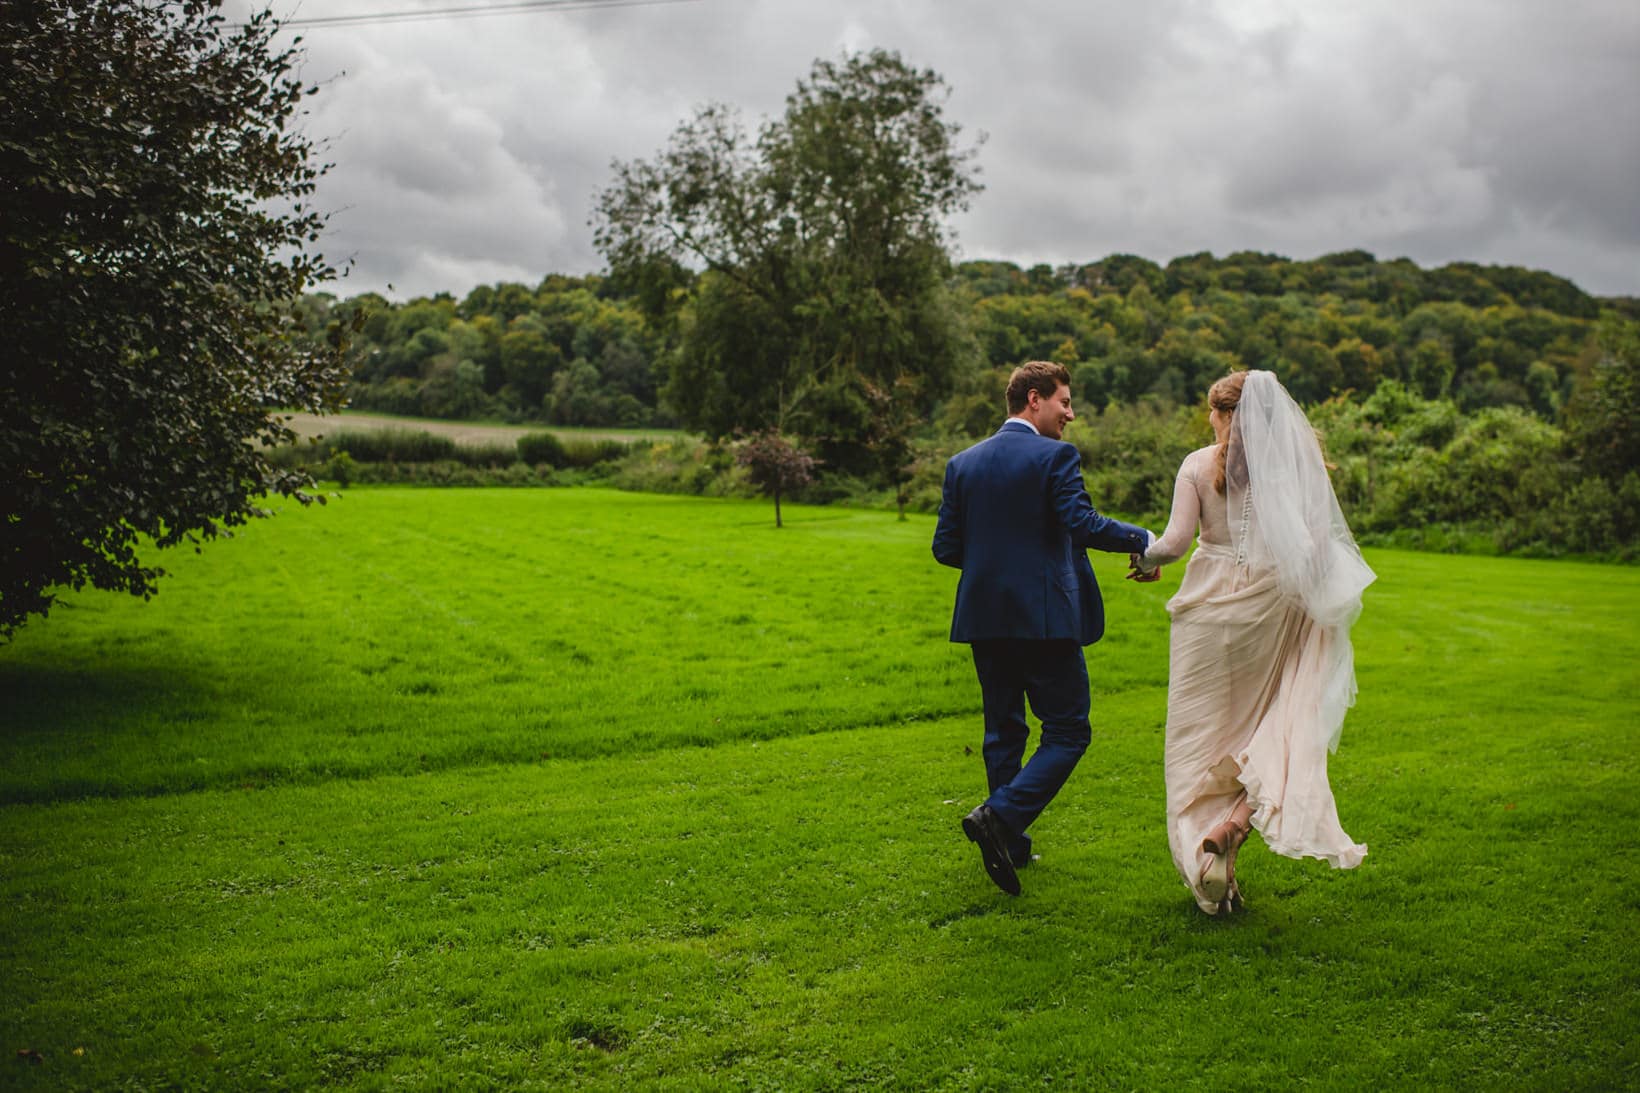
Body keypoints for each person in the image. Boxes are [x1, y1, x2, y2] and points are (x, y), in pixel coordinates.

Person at [1134, 370, 1374, 915]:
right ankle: (1234, 827)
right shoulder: (1290, 469)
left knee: (1197, 745)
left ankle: (1208, 864)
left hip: (1206, 616)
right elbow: (1315, 550)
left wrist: (1142, 559)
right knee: (1277, 726)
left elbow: (1173, 543)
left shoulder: (1196, 465)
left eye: (1213, 414)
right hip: (1272, 611)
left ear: (1221, 415)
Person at [933, 361, 1156, 895]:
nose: (1071, 414)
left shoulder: (962, 463)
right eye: (1065, 402)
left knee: (1003, 731)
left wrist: (996, 566)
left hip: (985, 618)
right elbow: (1083, 523)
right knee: (1069, 729)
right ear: (1034, 399)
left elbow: (946, 548)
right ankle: (999, 816)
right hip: (1045, 619)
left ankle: (1010, 844)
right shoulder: (1056, 455)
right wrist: (1144, 538)